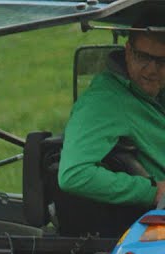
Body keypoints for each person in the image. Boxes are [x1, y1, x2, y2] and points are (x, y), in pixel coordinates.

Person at [58, 25, 165, 232]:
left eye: (162, 61)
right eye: (143, 57)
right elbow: (74, 174)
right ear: (128, 52)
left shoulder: (154, 93)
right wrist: (152, 192)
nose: (152, 69)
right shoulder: (105, 100)